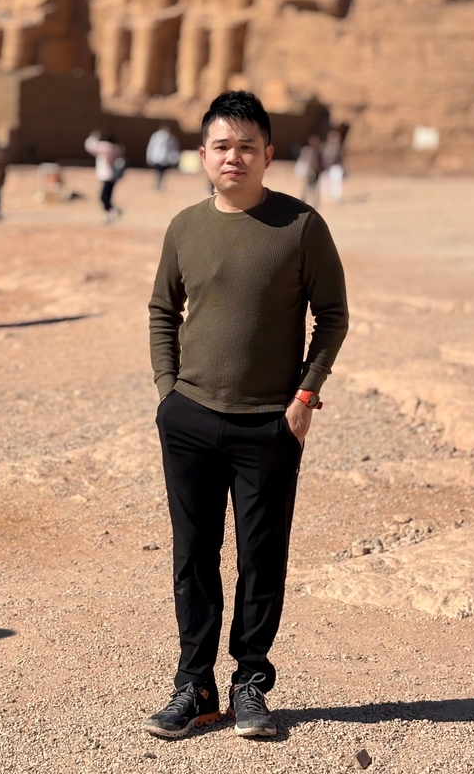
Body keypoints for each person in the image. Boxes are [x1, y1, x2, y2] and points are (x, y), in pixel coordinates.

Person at [147, 90, 348, 740]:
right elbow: (161, 312)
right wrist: (166, 394)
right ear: (203, 155)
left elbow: (333, 317)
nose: (234, 157)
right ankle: (195, 685)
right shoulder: (184, 227)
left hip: (269, 425)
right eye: (222, 146)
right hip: (191, 419)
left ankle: (251, 682)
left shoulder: (300, 226)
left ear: (268, 154)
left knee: (262, 558)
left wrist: (305, 397)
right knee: (193, 556)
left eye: (247, 147)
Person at [84, 130, 124, 223]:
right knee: (106, 197)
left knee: (104, 197)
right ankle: (114, 211)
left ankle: (109, 214)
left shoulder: (106, 148)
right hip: (112, 175)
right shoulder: (116, 148)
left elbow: (89, 146)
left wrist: (93, 137)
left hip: (107, 175)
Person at [146, 123, 180, 190]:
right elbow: (151, 146)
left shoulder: (171, 138)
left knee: (162, 173)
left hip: (165, 159)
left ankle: (159, 185)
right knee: (158, 172)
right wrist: (149, 157)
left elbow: (174, 149)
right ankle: (157, 184)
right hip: (157, 157)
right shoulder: (156, 136)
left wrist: (174, 158)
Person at [294, 133, 323, 206]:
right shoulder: (310, 151)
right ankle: (305, 200)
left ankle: (314, 202)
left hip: (315, 173)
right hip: (311, 173)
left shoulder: (318, 152)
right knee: (309, 187)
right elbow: (308, 163)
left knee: (314, 188)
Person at [321, 129, 344, 202]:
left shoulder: (338, 148)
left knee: (336, 183)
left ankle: (336, 197)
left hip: (335, 167)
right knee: (325, 183)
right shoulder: (325, 147)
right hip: (326, 168)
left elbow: (339, 158)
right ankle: (324, 196)